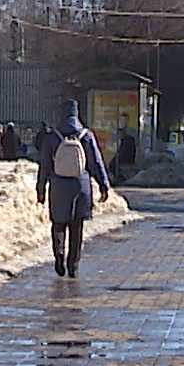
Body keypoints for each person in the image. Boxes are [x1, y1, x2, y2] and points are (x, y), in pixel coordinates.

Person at [35, 100, 112, 279]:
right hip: (81, 185)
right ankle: (73, 264)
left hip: (58, 185)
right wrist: (104, 185)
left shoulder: (52, 137)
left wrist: (41, 188)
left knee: (58, 224)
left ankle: (59, 257)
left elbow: (45, 165)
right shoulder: (86, 135)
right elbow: (96, 163)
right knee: (77, 227)